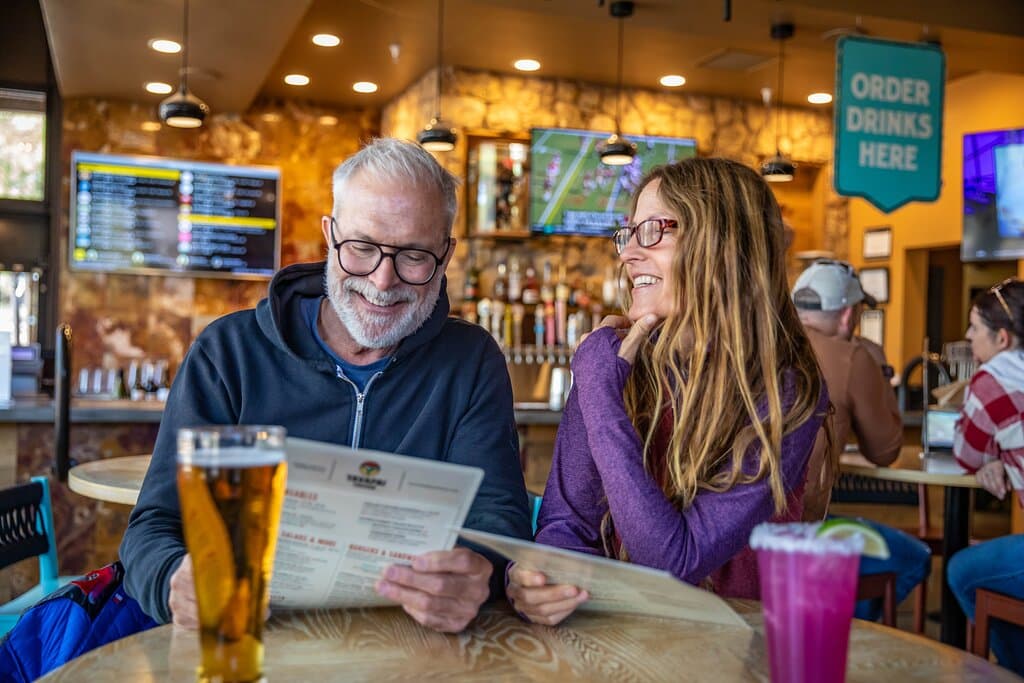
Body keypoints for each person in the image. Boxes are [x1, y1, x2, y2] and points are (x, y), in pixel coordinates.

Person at [120, 138, 532, 634]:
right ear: (330, 236)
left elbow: (498, 519)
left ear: (445, 256)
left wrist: (476, 572)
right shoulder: (227, 354)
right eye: (361, 248)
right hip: (253, 644)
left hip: (408, 650)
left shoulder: (470, 361)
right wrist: (172, 581)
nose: (383, 282)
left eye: (415, 256)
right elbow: (153, 528)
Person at [507, 157, 828, 625]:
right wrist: (539, 577)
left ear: (723, 244)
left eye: (654, 231)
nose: (628, 253)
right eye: (629, 233)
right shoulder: (614, 367)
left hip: (732, 653)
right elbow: (567, 523)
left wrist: (598, 390)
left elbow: (674, 561)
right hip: (610, 642)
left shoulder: (785, 395)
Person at [792, 259, 931, 622]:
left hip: (739, 529)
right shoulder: (854, 356)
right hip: (801, 530)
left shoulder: (760, 340)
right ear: (847, 315)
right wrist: (879, 368)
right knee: (912, 557)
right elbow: (885, 451)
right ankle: (843, 639)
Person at [948, 278, 1024, 675]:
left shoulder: (994, 378)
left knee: (962, 571)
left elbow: (965, 454)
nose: (967, 335)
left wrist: (991, 458)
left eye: (975, 327)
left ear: (1002, 339)